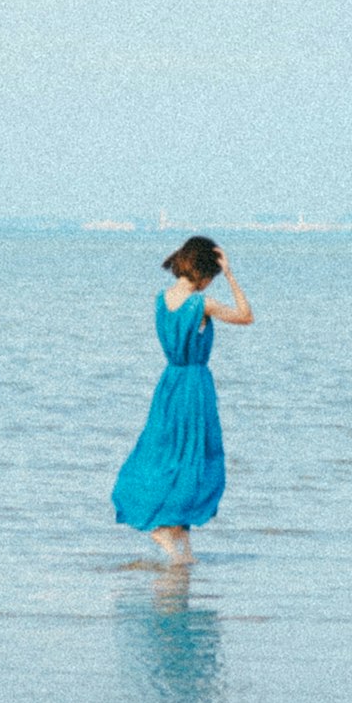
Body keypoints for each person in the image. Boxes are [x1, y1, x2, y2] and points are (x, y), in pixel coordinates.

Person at [110, 234, 250, 564]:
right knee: (196, 459)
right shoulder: (202, 304)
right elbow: (246, 315)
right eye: (212, 276)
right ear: (205, 273)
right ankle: (165, 530)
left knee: (166, 454)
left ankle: (181, 549)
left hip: (169, 384)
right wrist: (231, 275)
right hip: (193, 386)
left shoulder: (162, 299)